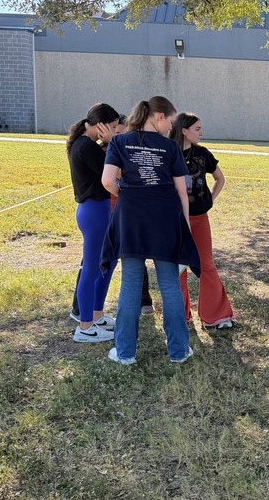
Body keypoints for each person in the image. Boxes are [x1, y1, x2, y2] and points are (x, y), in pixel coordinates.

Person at [101, 96, 200, 365]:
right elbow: (182, 191)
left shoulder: (119, 142)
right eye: (170, 121)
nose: (171, 128)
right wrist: (186, 226)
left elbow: (108, 181)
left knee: (131, 284)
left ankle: (124, 353)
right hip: (165, 218)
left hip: (130, 219)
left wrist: (129, 194)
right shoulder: (170, 147)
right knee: (169, 284)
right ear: (158, 116)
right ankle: (179, 351)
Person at [70, 114, 154, 322]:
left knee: (119, 261)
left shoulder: (121, 151)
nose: (119, 137)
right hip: (102, 213)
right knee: (93, 264)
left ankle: (98, 313)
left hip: (120, 213)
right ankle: (83, 314)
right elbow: (115, 178)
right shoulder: (97, 151)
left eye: (122, 134)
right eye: (115, 132)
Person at [168, 112, 236, 329]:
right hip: (174, 220)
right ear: (184, 130)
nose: (201, 132)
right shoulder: (168, 152)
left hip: (199, 218)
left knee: (206, 265)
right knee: (177, 268)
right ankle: (180, 316)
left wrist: (210, 200)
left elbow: (220, 178)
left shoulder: (202, 154)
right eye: (197, 129)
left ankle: (215, 316)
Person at [67, 103, 121, 342]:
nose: (113, 131)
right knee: (91, 269)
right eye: (111, 127)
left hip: (97, 210)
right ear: (100, 125)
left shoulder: (86, 144)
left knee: (105, 264)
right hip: (93, 211)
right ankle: (85, 326)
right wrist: (113, 142)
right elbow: (114, 172)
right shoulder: (85, 147)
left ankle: (96, 316)